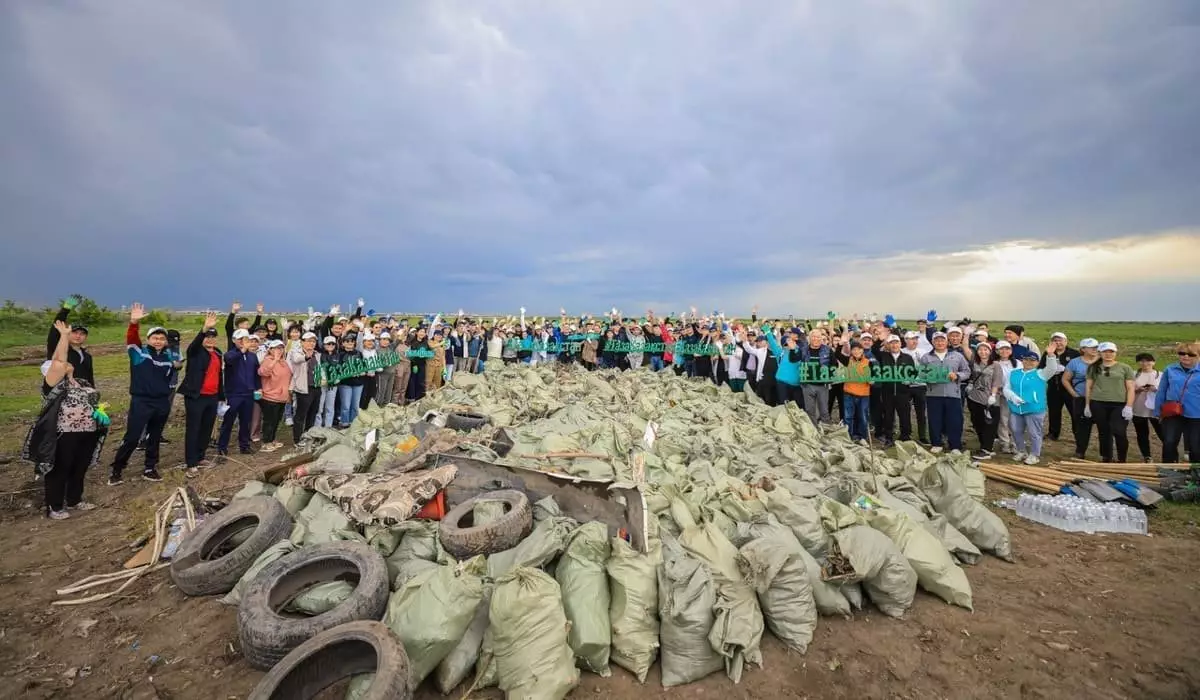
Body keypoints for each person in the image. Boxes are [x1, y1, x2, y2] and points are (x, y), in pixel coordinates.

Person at [23, 320, 108, 519]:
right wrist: (63, 336)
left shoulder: (81, 381)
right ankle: (55, 506)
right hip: (64, 431)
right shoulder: (53, 384)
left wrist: (98, 411)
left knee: (80, 465)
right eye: (63, 362)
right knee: (61, 467)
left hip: (87, 429)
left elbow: (92, 397)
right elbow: (58, 359)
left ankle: (75, 499)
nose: (67, 363)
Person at [109, 304, 175, 484]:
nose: (158, 341)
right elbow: (131, 338)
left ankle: (150, 468)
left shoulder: (168, 357)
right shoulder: (139, 353)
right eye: (155, 337)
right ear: (148, 339)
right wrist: (134, 322)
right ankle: (117, 469)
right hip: (141, 402)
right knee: (132, 437)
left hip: (161, 403)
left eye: (162, 338)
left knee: (154, 437)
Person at [179, 312, 224, 478]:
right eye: (207, 337)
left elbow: (219, 375)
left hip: (212, 396)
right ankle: (191, 463)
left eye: (213, 337)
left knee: (206, 428)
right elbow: (194, 345)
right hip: (196, 396)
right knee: (194, 428)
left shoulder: (218, 353)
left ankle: (200, 456)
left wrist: (221, 396)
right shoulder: (195, 352)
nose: (210, 339)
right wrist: (204, 329)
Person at [919, 331, 971, 453]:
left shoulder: (957, 356)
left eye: (942, 340)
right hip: (933, 394)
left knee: (954, 420)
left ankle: (955, 445)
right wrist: (929, 378)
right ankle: (936, 443)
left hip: (953, 394)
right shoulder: (926, 357)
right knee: (934, 419)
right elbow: (921, 374)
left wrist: (957, 375)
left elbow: (967, 372)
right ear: (932, 342)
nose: (940, 342)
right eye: (937, 340)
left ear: (947, 342)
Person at [1084, 342, 1136, 463]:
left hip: (1118, 404)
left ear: (1115, 353)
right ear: (1100, 353)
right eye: (1105, 351)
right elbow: (1089, 387)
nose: (1108, 354)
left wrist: (1129, 406)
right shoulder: (1093, 367)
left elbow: (1130, 388)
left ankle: (1122, 459)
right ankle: (1106, 457)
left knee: (1119, 430)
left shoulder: (1124, 368)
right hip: (1098, 403)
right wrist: (1087, 404)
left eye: (1111, 351)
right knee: (1104, 431)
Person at [1004, 352, 1060, 465]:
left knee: (1034, 432)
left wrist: (1050, 355)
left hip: (1034, 408)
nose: (1029, 362)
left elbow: (1052, 368)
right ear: (1022, 360)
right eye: (1026, 359)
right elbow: (1006, 388)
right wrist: (1012, 397)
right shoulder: (1013, 373)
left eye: (1032, 360)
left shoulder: (1040, 374)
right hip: (1016, 407)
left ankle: (1035, 454)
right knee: (1015, 430)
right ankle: (1021, 451)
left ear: (1037, 362)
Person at [217, 328, 261, 458]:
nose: (243, 342)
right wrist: (242, 350)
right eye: (240, 339)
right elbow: (230, 361)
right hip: (234, 394)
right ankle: (222, 447)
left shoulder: (252, 356)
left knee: (245, 421)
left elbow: (256, 374)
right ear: (234, 341)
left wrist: (258, 388)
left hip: (248, 393)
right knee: (228, 421)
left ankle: (244, 445)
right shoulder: (230, 354)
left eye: (246, 339)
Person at [1155, 342, 1200, 464]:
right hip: (1173, 412)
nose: (1185, 356)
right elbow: (1162, 390)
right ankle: (1169, 469)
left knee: (1195, 446)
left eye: (1191, 354)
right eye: (1182, 353)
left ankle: (1195, 473)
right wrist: (1158, 410)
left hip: (1196, 414)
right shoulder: (1170, 369)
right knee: (1169, 441)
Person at [1062, 338, 1100, 459]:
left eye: (1096, 347)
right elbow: (1065, 379)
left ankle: (1106, 454)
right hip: (1081, 398)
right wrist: (1074, 394)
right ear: (1083, 349)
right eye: (1091, 347)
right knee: (1082, 426)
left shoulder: (1103, 360)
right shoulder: (1075, 362)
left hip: (1100, 399)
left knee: (1104, 427)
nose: (1095, 349)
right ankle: (1080, 451)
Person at [875, 334, 915, 446]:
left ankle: (905, 436)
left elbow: (912, 372)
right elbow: (874, 349)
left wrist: (910, 380)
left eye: (896, 342)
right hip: (887, 392)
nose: (894, 345)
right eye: (891, 343)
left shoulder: (907, 357)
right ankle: (888, 437)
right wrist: (880, 339)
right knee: (888, 416)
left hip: (903, 392)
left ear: (900, 344)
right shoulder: (883, 356)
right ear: (888, 345)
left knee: (905, 415)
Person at [46, 295, 95, 386]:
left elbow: (90, 378)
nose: (78, 336)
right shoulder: (60, 350)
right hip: (61, 395)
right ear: (68, 333)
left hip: (80, 395)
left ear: (86, 337)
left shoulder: (87, 357)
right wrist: (65, 309)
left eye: (82, 333)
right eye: (75, 332)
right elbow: (56, 327)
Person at [966, 341, 1003, 459]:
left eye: (985, 349)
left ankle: (986, 450)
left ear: (990, 351)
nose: (983, 352)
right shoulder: (974, 363)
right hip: (974, 397)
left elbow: (997, 381)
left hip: (989, 399)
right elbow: (971, 376)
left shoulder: (996, 365)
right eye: (980, 350)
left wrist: (993, 395)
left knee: (989, 424)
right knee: (978, 422)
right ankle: (985, 446)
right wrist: (970, 385)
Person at [1041, 332, 1079, 442]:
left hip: (1070, 388)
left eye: (1060, 340)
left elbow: (1079, 369)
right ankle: (1053, 433)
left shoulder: (1074, 354)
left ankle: (1078, 434)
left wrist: (1066, 369)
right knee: (1054, 411)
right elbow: (1041, 367)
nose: (1058, 343)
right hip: (1053, 386)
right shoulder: (1047, 353)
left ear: (1066, 341)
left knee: (1074, 411)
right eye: (1055, 341)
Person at [257, 339, 293, 452]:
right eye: (276, 348)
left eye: (281, 348)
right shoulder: (267, 360)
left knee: (276, 420)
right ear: (270, 350)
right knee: (269, 420)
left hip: (282, 397)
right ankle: (266, 442)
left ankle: (272, 439)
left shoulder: (284, 362)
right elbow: (262, 372)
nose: (279, 350)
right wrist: (275, 360)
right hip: (270, 396)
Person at [288, 332, 322, 444]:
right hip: (303, 388)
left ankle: (308, 435)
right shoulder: (295, 352)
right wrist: (307, 355)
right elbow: (298, 360)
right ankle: (297, 439)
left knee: (313, 413)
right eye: (308, 341)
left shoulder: (317, 354)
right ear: (302, 342)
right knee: (300, 415)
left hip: (316, 387)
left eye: (313, 341)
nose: (311, 343)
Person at [1131, 353, 1163, 463]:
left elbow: (1166, 391)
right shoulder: (1133, 374)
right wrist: (1138, 390)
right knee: (1142, 433)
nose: (1145, 363)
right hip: (1138, 409)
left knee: (1162, 433)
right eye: (1142, 361)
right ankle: (1147, 456)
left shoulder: (1161, 375)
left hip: (1155, 410)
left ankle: (1169, 454)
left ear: (1153, 362)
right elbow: (1129, 391)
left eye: (1148, 361)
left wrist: (1155, 389)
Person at [841, 340, 874, 444]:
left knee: (863, 417)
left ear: (862, 350)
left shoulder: (869, 362)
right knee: (848, 416)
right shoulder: (847, 361)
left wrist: (871, 381)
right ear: (851, 351)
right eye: (854, 349)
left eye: (858, 349)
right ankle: (848, 437)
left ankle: (862, 437)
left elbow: (873, 378)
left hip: (863, 394)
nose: (856, 351)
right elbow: (838, 354)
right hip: (849, 393)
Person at [901, 331, 929, 444]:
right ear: (906, 340)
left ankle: (922, 436)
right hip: (905, 386)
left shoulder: (923, 352)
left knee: (921, 413)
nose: (914, 341)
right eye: (912, 339)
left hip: (920, 386)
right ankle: (906, 434)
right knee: (904, 411)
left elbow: (929, 367)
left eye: (916, 339)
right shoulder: (901, 351)